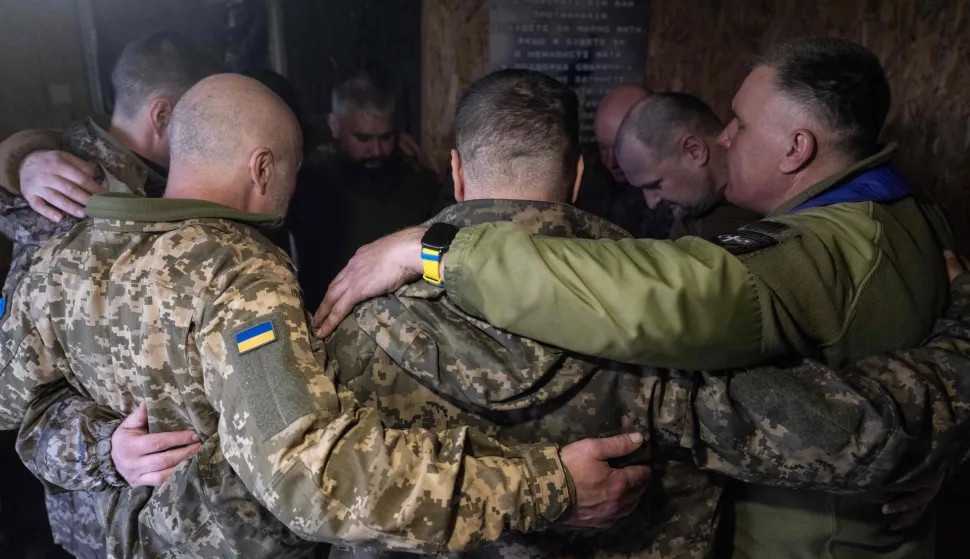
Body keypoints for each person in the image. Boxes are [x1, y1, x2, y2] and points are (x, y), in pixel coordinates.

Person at [312, 37, 954, 559]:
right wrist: (932, 446)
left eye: (740, 121)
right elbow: (853, 431)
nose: (724, 135)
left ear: (456, 171)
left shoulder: (354, 313)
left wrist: (432, 250)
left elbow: (301, 486)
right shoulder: (911, 221)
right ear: (579, 176)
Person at [0, 74, 649, 558]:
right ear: (262, 167)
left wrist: (102, 447)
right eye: (290, 169)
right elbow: (308, 473)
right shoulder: (240, 273)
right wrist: (547, 484)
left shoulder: (50, 258)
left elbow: (21, 412)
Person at [0, 32, 219, 559]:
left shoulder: (147, 183)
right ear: (163, 115)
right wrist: (105, 450)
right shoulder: (70, 198)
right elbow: (20, 397)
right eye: (200, 120)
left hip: (168, 514)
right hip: (105, 516)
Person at [289, 73, 441, 310]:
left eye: (386, 137)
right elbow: (283, 134)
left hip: (405, 320)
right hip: (327, 319)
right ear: (335, 126)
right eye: (363, 138)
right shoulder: (309, 183)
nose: (377, 150)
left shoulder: (420, 183)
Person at [615, 92, 762, 239]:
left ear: (694, 151)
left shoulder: (758, 217)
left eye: (655, 185)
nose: (651, 203)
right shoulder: (693, 213)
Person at [575, 83, 675, 239]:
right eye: (603, 148)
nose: (610, 162)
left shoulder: (674, 189)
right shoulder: (584, 173)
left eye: (619, 149)